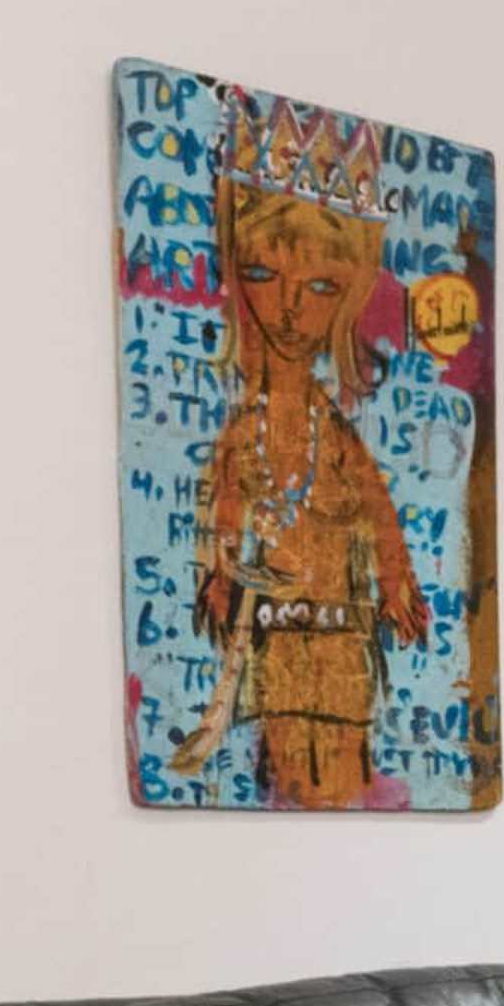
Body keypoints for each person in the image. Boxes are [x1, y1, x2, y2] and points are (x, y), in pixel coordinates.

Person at [172, 101, 431, 809]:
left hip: (344, 636)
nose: (289, 309)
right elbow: (226, 507)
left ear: (346, 296)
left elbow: (378, 506)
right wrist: (222, 569)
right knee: (288, 765)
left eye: (319, 288)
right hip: (278, 638)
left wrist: (397, 578)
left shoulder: (336, 436)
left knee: (345, 758)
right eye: (264, 277)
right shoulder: (242, 431)